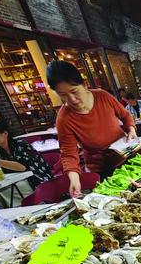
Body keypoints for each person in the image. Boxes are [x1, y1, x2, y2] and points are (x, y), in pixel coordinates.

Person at [48, 60, 136, 197]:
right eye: (63, 95)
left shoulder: (103, 96)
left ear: (84, 84)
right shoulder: (64, 118)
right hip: (102, 170)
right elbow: (68, 153)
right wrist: (75, 179)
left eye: (74, 91)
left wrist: (131, 129)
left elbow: (125, 115)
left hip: (128, 157)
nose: (72, 99)